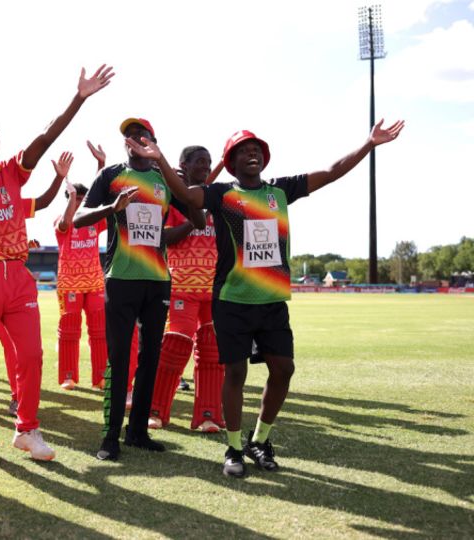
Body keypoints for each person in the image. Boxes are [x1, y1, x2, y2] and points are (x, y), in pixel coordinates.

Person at [125, 119, 405, 477]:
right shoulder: (221, 193)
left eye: (256, 149)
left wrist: (368, 144)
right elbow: (184, 193)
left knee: (284, 369)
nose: (252, 152)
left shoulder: (281, 191)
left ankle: (260, 439)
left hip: (272, 302)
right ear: (230, 161)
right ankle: (233, 448)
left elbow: (332, 172)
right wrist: (161, 158)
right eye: (244, 150)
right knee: (236, 373)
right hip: (233, 300)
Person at [0, 38, 112, 466]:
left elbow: (46, 135)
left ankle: (27, 430)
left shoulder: (13, 173)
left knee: (32, 355)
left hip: (17, 278)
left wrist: (79, 98)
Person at [73, 117, 205, 461]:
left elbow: (198, 214)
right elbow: (78, 219)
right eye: (129, 135)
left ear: (154, 142)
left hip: (158, 280)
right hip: (121, 278)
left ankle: (138, 432)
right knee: (119, 359)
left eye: (141, 134)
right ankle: (110, 437)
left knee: (151, 358)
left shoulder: (163, 180)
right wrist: (111, 208)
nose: (135, 138)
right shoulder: (112, 176)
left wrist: (168, 170)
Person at [148, 146, 225, 433]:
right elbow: (162, 238)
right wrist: (193, 223)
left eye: (208, 162)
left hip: (215, 290)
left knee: (213, 350)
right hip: (182, 285)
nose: (205, 166)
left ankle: (208, 415)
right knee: (175, 345)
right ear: (184, 165)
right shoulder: (174, 199)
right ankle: (155, 411)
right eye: (199, 162)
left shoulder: (219, 198)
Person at [54, 141, 108, 391]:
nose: (81, 205)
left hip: (95, 283)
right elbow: (65, 224)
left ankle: (99, 377)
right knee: (69, 331)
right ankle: (68, 376)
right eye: (76, 200)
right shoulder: (61, 221)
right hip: (70, 285)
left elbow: (100, 193)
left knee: (99, 331)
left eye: (83, 200)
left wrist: (101, 165)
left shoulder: (94, 222)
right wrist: (72, 198)